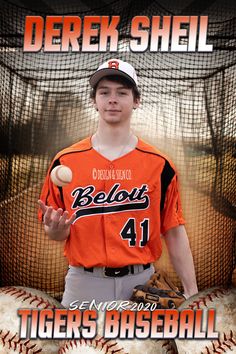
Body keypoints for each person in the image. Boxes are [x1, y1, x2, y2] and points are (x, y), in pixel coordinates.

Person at [38, 58, 198, 308]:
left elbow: (174, 231)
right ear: (94, 100)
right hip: (83, 283)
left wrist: (192, 293)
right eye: (104, 92)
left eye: (122, 93)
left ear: (136, 100)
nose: (112, 99)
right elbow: (57, 232)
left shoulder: (160, 165)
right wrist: (56, 229)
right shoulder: (65, 161)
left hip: (141, 283)